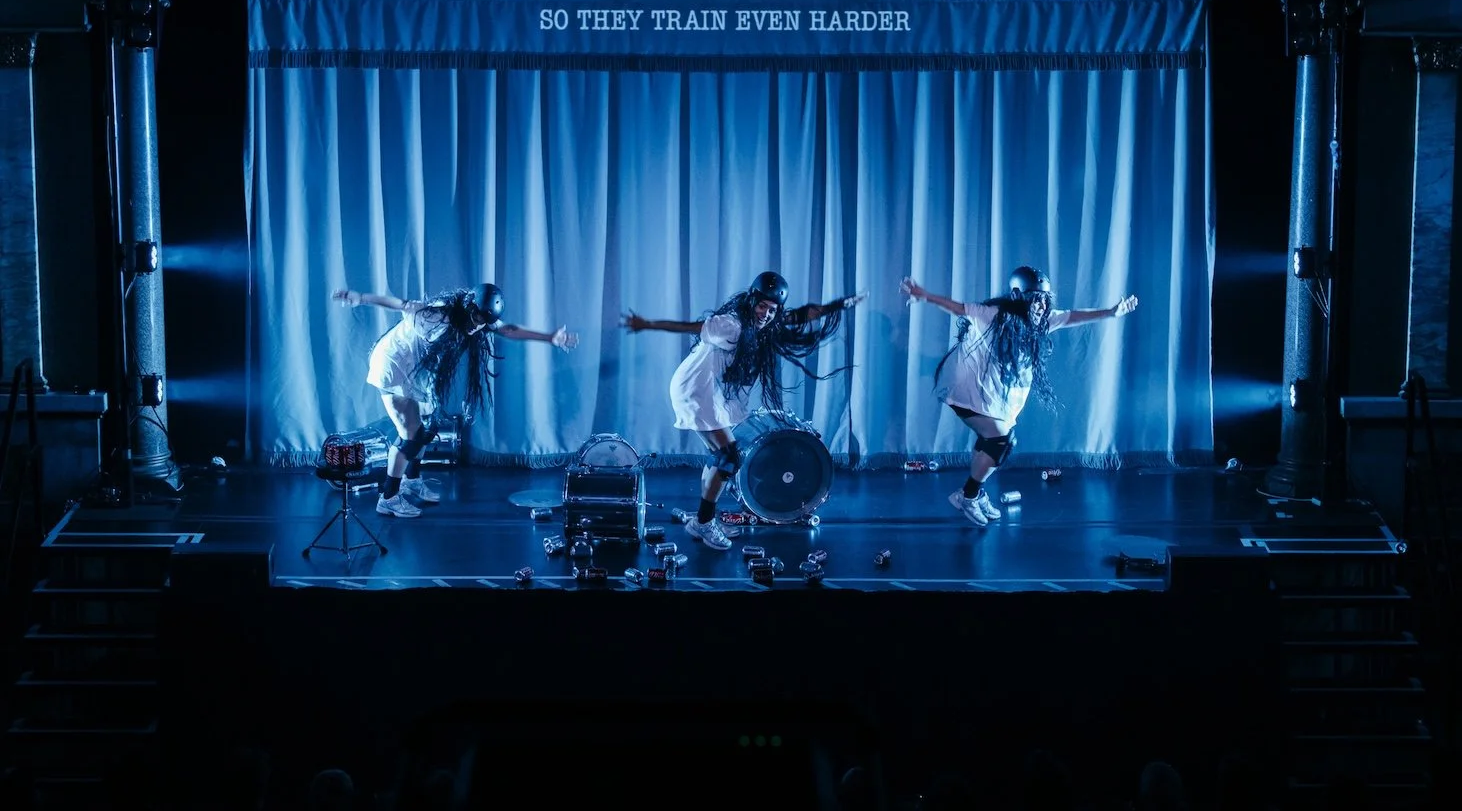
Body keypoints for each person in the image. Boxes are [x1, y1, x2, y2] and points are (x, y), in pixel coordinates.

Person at [622, 271, 865, 550]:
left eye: (772, 310)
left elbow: (802, 315)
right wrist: (647, 324)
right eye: (762, 306)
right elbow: (690, 326)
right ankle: (703, 523)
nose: (766, 314)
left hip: (707, 389)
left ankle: (703, 518)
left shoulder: (764, 323)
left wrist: (841, 304)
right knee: (729, 457)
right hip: (695, 389)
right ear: (752, 300)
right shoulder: (731, 325)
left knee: (720, 456)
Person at [901, 267, 1138, 527]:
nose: (1041, 305)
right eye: (1035, 299)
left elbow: (1073, 316)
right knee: (1001, 441)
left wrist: (1111, 312)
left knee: (991, 440)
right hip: (965, 392)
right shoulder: (991, 315)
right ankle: (968, 495)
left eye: (1045, 300)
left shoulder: (1041, 321)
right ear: (1017, 296)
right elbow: (958, 308)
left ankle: (973, 493)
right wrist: (924, 295)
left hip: (992, 400)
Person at [333, 284, 578, 518]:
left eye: (484, 321)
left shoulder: (479, 320)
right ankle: (388, 498)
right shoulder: (437, 314)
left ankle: (412, 480)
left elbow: (508, 329)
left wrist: (550, 337)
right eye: (478, 318)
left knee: (428, 427)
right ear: (470, 307)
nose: (479, 325)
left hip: (414, 371)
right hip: (393, 364)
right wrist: (361, 298)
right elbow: (401, 304)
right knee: (410, 435)